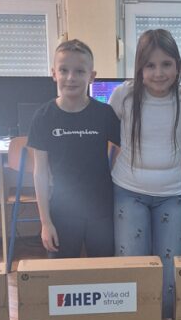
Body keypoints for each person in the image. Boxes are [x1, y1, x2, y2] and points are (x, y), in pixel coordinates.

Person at [109, 29, 181, 318]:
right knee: (133, 264)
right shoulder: (124, 96)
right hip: (128, 191)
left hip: (171, 194)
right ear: (140, 68)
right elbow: (108, 137)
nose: (159, 73)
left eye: (166, 64)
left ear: (177, 66)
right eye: (150, 65)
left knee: (171, 271)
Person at [28, 38, 120, 257]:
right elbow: (40, 173)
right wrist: (45, 222)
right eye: (64, 70)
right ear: (54, 74)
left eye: (79, 71)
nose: (71, 77)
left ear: (92, 76)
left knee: (104, 270)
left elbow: (122, 150)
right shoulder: (43, 117)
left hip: (101, 211)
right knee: (62, 273)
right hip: (62, 212)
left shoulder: (105, 114)